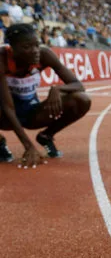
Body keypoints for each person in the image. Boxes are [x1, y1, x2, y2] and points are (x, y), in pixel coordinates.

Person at [0, 24, 91, 166]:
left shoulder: (44, 55)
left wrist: (57, 89)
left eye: (37, 45)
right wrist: (28, 146)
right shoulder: (2, 61)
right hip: (5, 117)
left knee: (81, 100)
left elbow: (78, 85)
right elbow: (8, 107)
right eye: (27, 47)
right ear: (12, 48)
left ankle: (46, 136)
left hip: (32, 113)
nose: (35, 51)